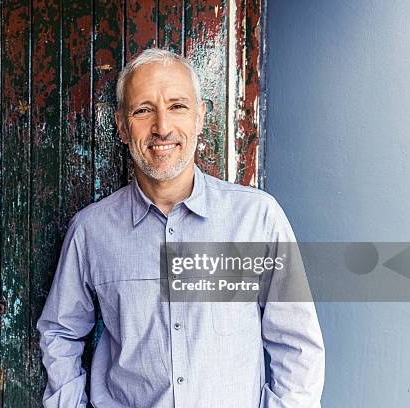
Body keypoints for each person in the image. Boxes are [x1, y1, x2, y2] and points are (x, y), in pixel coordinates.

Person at [36, 48, 325, 408]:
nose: (162, 127)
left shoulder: (257, 220)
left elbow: (296, 345)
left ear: (200, 117)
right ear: (123, 127)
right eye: (143, 110)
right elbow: (60, 333)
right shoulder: (91, 232)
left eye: (177, 106)